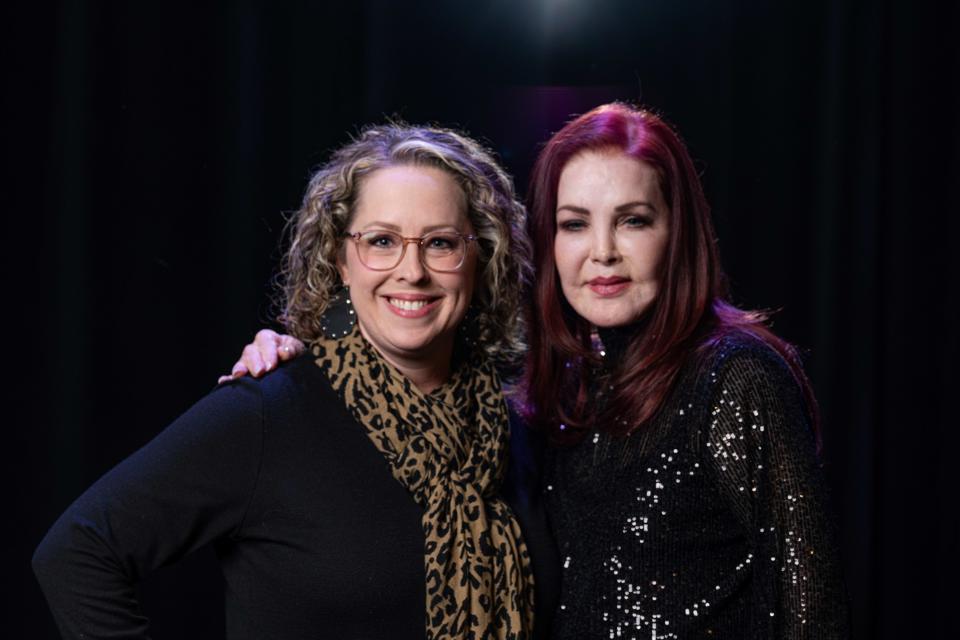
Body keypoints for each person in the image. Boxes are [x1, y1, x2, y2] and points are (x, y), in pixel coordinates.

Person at [235, 103, 848, 638]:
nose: (602, 251)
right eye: (574, 223)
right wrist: (306, 351)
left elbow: (812, 608)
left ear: (677, 232)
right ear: (548, 241)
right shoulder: (556, 388)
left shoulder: (736, 376)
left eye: (633, 220)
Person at [33, 123, 560, 640]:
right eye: (381, 241)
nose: (412, 270)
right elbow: (77, 553)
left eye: (441, 243)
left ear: (478, 258)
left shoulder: (512, 429)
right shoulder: (269, 411)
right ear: (341, 261)